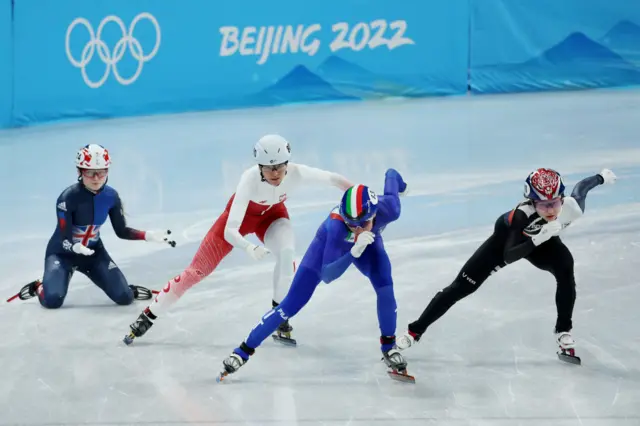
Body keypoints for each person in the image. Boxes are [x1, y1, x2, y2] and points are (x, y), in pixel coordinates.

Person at [123, 134, 353, 345]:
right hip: (237, 222)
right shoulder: (249, 179)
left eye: (280, 167)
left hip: (272, 217)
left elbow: (336, 180)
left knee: (286, 254)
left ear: (287, 164)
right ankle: (148, 316)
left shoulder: (297, 172)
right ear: (259, 166)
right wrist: (248, 247)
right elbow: (230, 231)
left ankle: (279, 317)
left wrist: (363, 196)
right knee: (196, 272)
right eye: (269, 168)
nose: (275, 173)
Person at [395, 167, 617, 364]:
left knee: (566, 268)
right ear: (532, 202)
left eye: (555, 203)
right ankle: (415, 331)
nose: (551, 210)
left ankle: (563, 330)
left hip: (544, 244)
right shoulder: (521, 216)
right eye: (543, 205)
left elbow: (582, 188)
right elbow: (509, 256)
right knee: (460, 288)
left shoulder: (572, 208)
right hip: (505, 246)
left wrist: (600, 177)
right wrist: (537, 238)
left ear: (562, 198)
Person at [217, 169, 414, 383]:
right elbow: (329, 274)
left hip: (370, 245)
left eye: (361, 224)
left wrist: (402, 187)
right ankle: (242, 351)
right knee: (290, 305)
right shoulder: (337, 227)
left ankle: (388, 346)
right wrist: (355, 250)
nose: (356, 228)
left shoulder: (391, 209)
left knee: (385, 288)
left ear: (375, 215)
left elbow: (391, 174)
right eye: (351, 224)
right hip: (328, 252)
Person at [13, 144, 175, 308]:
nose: (96, 178)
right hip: (62, 254)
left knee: (125, 298)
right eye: (90, 172)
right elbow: (64, 239)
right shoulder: (67, 198)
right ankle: (40, 286)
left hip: (93, 253)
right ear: (79, 172)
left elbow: (121, 231)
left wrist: (147, 235)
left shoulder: (111, 197)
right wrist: (76, 247)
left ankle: (125, 289)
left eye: (102, 172)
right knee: (53, 300)